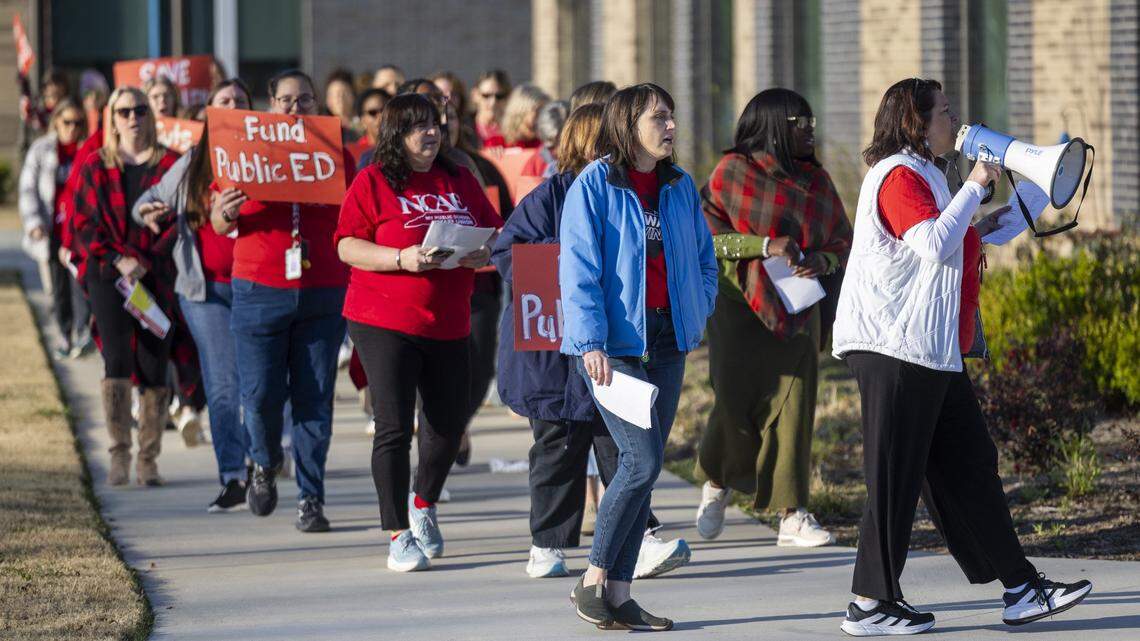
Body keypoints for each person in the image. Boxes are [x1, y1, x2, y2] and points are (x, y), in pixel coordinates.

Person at [831, 78, 1093, 636]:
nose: (956, 120)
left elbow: (952, 239)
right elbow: (929, 241)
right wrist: (974, 185)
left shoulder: (926, 174)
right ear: (914, 123)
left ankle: (1021, 588)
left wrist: (1013, 211)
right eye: (945, 112)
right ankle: (869, 604)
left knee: (971, 467)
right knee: (893, 475)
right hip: (892, 347)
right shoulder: (898, 175)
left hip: (930, 348)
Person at [494, 104, 692, 582]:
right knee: (558, 448)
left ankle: (637, 541)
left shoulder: (635, 192)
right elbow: (508, 251)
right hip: (554, 355)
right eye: (600, 142)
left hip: (617, 345)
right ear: (580, 145)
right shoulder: (554, 195)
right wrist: (567, 261)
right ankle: (548, 542)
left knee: (621, 448)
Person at [560, 84, 717, 631]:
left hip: (670, 339)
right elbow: (578, 268)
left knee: (643, 470)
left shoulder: (678, 185)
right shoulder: (596, 183)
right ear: (628, 125)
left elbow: (703, 257)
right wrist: (590, 342)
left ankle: (621, 595)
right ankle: (593, 579)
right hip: (617, 345)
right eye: (659, 117)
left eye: (672, 116)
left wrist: (700, 304)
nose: (670, 126)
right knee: (641, 460)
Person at [334, 93, 502, 572]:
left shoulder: (460, 176)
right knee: (393, 427)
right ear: (395, 133)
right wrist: (400, 259)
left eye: (434, 123)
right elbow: (347, 244)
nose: (429, 133)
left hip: (448, 320)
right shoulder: (373, 180)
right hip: (382, 318)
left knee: (448, 426)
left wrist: (481, 254)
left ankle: (423, 503)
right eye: (416, 126)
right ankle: (398, 534)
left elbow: (494, 233)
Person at [693, 89, 852, 547]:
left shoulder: (817, 180)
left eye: (812, 121)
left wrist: (820, 261)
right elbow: (710, 239)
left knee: (795, 408)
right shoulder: (732, 172)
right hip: (738, 304)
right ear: (776, 125)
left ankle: (793, 514)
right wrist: (762, 246)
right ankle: (719, 482)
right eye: (801, 121)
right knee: (734, 403)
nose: (810, 130)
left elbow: (842, 239)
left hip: (799, 305)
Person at [211, 69, 354, 532]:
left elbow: (356, 214)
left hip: (321, 290)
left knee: (314, 399)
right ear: (270, 105)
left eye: (306, 100)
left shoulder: (336, 155)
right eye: (287, 100)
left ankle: (311, 498)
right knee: (260, 395)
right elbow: (217, 222)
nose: (296, 109)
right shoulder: (242, 153)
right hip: (259, 287)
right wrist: (223, 212)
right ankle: (262, 461)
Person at [132, 79, 256, 513]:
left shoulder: (267, 161)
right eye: (224, 102)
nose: (233, 107)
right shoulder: (191, 163)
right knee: (223, 384)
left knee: (256, 387)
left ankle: (261, 463)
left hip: (258, 287)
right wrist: (146, 211)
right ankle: (233, 477)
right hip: (203, 292)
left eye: (240, 102)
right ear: (207, 111)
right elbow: (146, 200)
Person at [70, 86, 181, 487]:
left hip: (156, 277)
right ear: (111, 120)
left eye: (140, 110)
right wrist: (120, 260)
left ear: (150, 117)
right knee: (116, 359)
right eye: (123, 112)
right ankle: (119, 453)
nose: (133, 118)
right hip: (108, 275)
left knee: (154, 363)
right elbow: (83, 225)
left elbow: (181, 225)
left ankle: (148, 459)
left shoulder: (171, 164)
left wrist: (145, 262)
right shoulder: (95, 166)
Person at [19, 98, 92, 359]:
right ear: (56, 122)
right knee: (59, 288)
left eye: (78, 123)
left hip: (80, 233)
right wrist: (34, 223)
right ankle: (64, 335)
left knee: (81, 283)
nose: (72, 128)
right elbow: (28, 189)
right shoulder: (42, 149)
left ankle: (83, 331)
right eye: (67, 122)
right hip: (52, 232)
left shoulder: (89, 150)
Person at [520, 99, 568, 178]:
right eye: (551, 147)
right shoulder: (535, 163)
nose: (558, 151)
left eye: (564, 144)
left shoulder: (585, 161)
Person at [349, 88, 390, 168]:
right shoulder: (353, 154)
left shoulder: (405, 150)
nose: (381, 117)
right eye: (373, 113)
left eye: (385, 110)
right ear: (362, 121)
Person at [501, 83, 549, 149]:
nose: (542, 117)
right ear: (520, 113)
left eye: (544, 111)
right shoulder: (497, 144)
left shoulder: (547, 145)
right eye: (538, 111)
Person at [471, 69, 511, 148]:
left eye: (499, 96)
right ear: (475, 95)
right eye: (486, 95)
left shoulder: (514, 130)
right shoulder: (464, 128)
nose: (493, 102)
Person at [323, 68, 358, 132]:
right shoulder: (322, 129)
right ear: (328, 100)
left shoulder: (364, 126)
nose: (341, 98)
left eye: (345, 93)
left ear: (353, 96)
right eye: (336, 95)